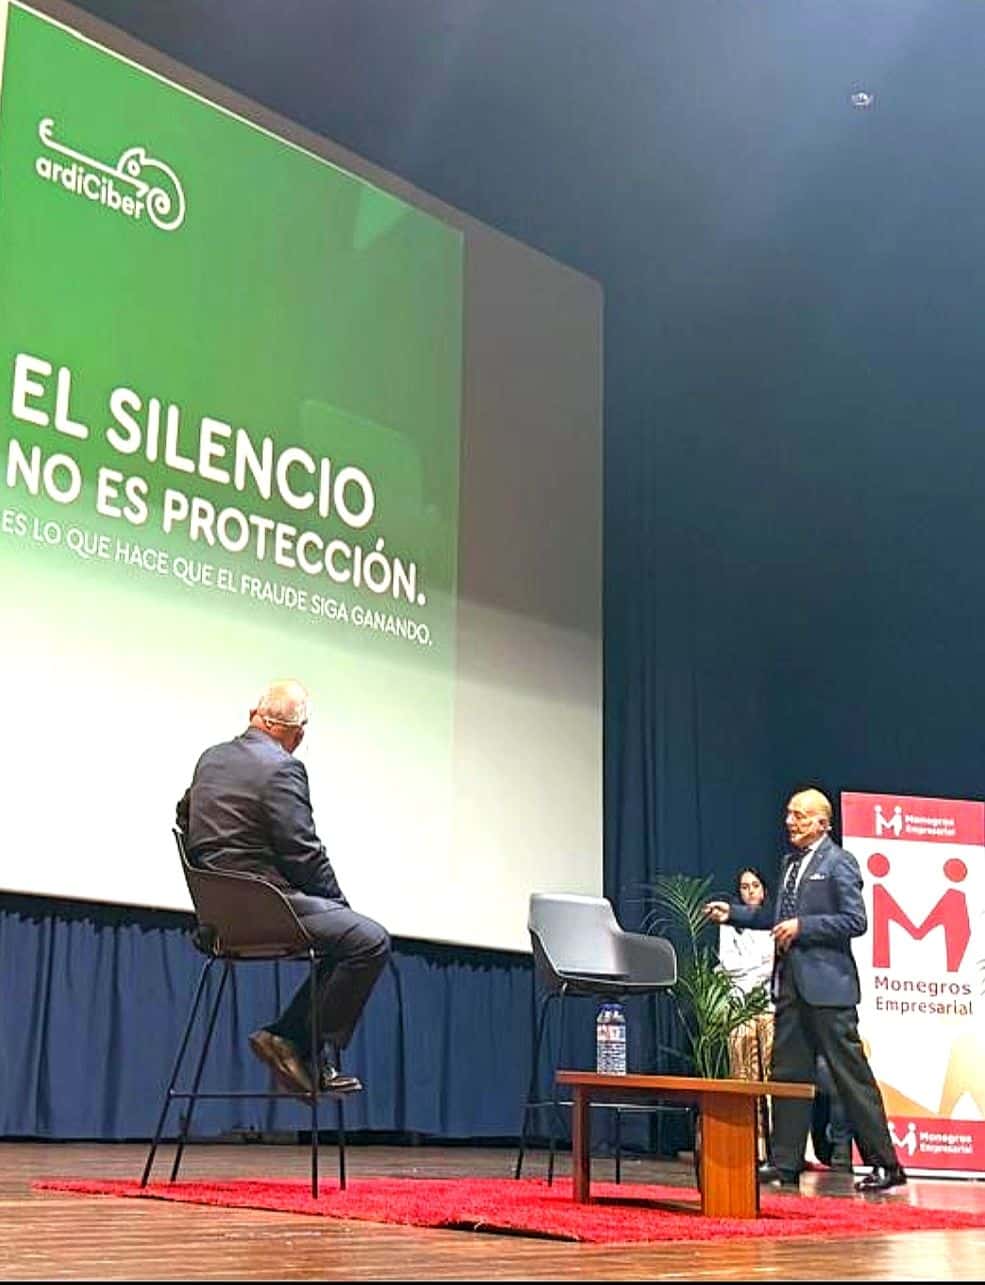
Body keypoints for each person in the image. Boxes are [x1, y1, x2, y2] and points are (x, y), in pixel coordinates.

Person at [176, 679, 391, 1097]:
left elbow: (185, 817)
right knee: (368, 941)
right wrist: (339, 906)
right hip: (267, 910)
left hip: (218, 920)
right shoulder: (282, 767)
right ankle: (296, 1044)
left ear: (252, 715)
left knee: (345, 939)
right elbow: (302, 852)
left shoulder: (211, 759)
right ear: (298, 733)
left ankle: (289, 1040)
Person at [705, 787, 906, 1193]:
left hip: (829, 989)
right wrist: (735, 914)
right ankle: (785, 1163)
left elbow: (855, 920)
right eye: (789, 814)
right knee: (788, 1075)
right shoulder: (791, 864)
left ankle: (886, 1164)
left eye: (798, 815)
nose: (790, 822)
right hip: (792, 988)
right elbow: (778, 918)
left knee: (851, 1076)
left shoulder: (839, 862)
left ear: (822, 822)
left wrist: (805, 927)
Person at [717, 866, 775, 1161]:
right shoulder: (730, 924)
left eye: (755, 885)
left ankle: (777, 1149)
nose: (750, 891)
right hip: (739, 1008)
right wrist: (759, 964)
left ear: (764, 889)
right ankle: (750, 1145)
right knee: (743, 1075)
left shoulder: (774, 920)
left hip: (770, 1008)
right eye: (744, 886)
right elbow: (729, 965)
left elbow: (775, 964)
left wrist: (755, 965)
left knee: (772, 1078)